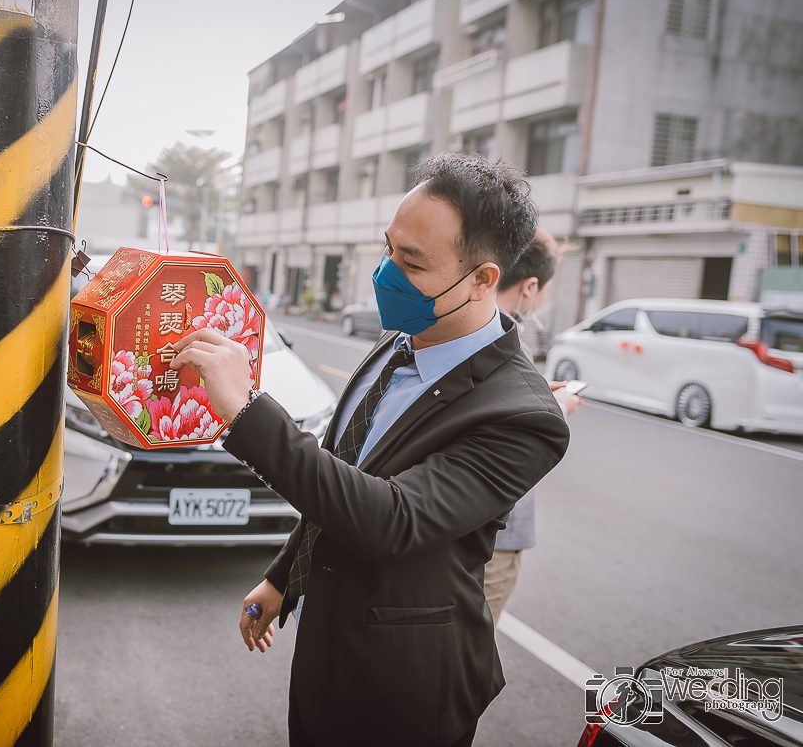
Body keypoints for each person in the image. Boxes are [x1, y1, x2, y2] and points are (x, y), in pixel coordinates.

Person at [171, 153, 571, 747]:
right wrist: (286, 576)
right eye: (389, 250)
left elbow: (391, 517)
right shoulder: (400, 341)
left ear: (484, 280)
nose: (387, 274)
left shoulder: (522, 415)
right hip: (325, 654)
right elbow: (344, 470)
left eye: (412, 263)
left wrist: (248, 411)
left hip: (406, 686)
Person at [485, 229, 582, 624]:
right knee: (461, 664)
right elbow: (507, 441)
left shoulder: (466, 330)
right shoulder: (510, 344)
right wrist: (554, 408)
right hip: (496, 536)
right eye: (545, 289)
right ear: (528, 287)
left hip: (461, 533)